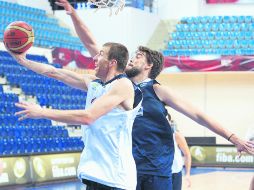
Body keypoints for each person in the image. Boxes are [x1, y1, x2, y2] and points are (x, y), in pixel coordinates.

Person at [55, 1, 254, 190]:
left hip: (156, 172)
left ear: (149, 66)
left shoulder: (158, 90)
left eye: (138, 57)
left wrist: (233, 138)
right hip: (128, 170)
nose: (132, 59)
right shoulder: (121, 85)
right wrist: (74, 15)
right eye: (132, 56)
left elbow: (198, 115)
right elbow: (91, 44)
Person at [11, 42, 143, 190]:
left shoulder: (123, 84)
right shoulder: (95, 84)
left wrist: (42, 112)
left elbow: (88, 117)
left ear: (112, 63)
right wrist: (23, 61)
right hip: (95, 174)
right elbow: (54, 72)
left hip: (116, 178)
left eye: (100, 54)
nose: (94, 57)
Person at [168, 115, 191, 190]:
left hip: (175, 173)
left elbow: (187, 154)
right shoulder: (155, 135)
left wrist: (187, 174)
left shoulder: (176, 135)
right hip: (160, 173)